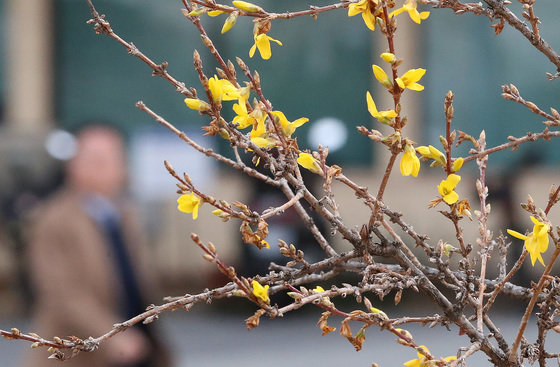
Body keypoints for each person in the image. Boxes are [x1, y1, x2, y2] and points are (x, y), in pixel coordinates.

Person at [24, 125, 170, 367]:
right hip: (82, 351)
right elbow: (61, 293)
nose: (103, 167)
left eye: (111, 159)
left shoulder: (123, 214)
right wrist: (110, 337)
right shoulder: (54, 219)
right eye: (94, 160)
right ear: (72, 165)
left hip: (137, 343)